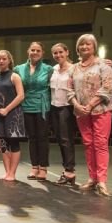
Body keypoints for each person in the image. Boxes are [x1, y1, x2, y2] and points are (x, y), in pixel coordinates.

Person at [68, 34, 112, 197]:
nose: (85, 47)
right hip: (81, 111)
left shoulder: (104, 65)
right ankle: (92, 178)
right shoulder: (73, 68)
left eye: (88, 44)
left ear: (94, 47)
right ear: (77, 48)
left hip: (101, 109)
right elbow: (69, 90)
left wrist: (89, 105)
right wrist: (77, 105)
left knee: (100, 144)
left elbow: (107, 88)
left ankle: (102, 181)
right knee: (88, 144)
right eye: (81, 45)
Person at [13, 42, 53, 181]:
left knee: (42, 137)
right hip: (26, 106)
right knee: (32, 138)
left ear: (42, 53)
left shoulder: (48, 69)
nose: (35, 52)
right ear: (28, 51)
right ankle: (34, 166)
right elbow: (7, 77)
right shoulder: (19, 68)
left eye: (38, 50)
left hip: (42, 106)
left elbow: (67, 69)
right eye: (32, 50)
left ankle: (43, 168)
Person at [0, 50, 26, 182]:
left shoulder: (15, 76)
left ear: (9, 60)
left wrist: (7, 109)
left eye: (4, 59)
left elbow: (21, 95)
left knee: (14, 144)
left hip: (13, 115)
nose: (1, 61)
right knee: (3, 145)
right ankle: (7, 172)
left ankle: (12, 172)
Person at [50, 43, 77, 185]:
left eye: (61, 52)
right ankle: (67, 169)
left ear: (67, 52)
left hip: (67, 107)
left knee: (66, 139)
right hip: (54, 106)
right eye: (55, 53)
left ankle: (69, 171)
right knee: (60, 139)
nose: (58, 55)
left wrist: (105, 62)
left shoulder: (74, 68)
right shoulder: (53, 69)